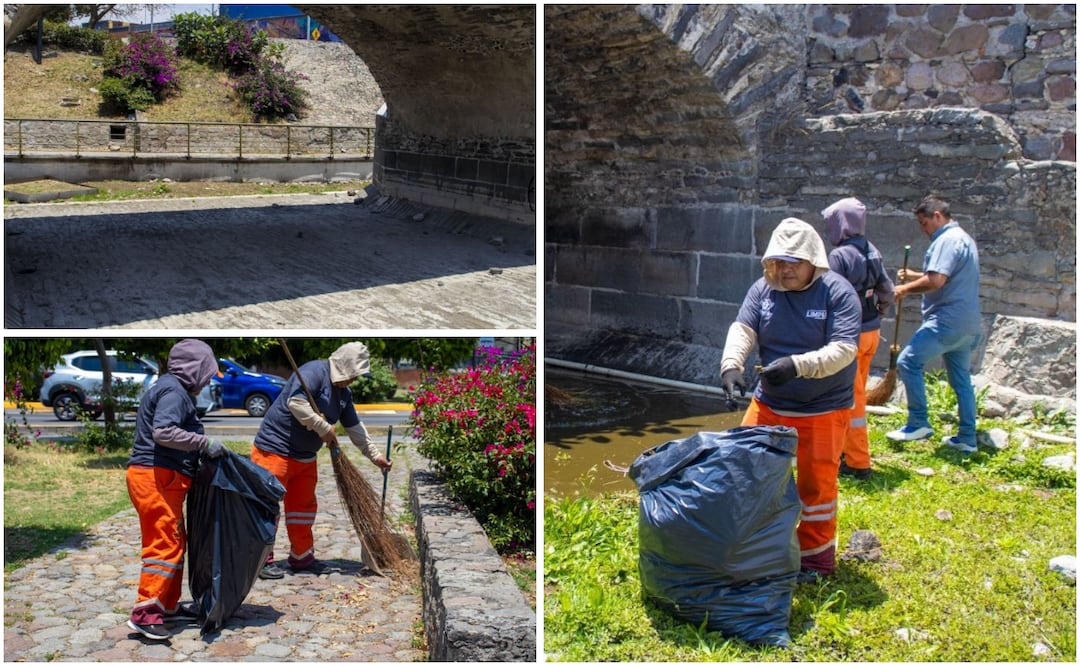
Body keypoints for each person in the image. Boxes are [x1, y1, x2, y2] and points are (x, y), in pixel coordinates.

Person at [720, 217, 862, 582]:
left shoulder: (838, 292)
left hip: (823, 407)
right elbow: (743, 328)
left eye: (794, 262)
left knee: (816, 489)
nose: (785, 270)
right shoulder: (763, 290)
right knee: (744, 470)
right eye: (778, 262)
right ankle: (757, 547)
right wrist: (731, 366)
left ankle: (815, 561)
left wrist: (797, 366)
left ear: (813, 259)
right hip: (770, 403)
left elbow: (844, 350)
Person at [251, 342, 392, 579]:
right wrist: (323, 427)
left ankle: (302, 557)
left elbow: (355, 428)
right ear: (345, 367)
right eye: (354, 374)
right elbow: (296, 403)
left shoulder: (344, 394)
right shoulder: (313, 373)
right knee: (267, 506)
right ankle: (261, 560)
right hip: (274, 451)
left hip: (305, 457)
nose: (354, 380)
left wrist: (375, 456)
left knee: (302, 509)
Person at [126, 339, 225, 640]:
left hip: (160, 477)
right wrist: (203, 443)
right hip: (155, 477)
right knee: (165, 544)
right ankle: (145, 613)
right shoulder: (173, 392)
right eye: (206, 373)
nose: (207, 381)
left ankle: (166, 606)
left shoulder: (171, 387)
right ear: (193, 369)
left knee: (174, 541)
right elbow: (163, 432)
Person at [886, 195, 982, 454]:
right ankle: (967, 438)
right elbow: (947, 276)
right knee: (961, 381)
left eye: (924, 222)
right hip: (968, 324)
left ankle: (918, 422)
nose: (923, 229)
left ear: (937, 216)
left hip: (946, 321)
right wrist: (916, 276)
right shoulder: (964, 238)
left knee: (908, 362)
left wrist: (904, 289)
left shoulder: (946, 240)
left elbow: (936, 281)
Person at [821, 197, 895, 480]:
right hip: (871, 333)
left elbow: (828, 296)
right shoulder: (872, 250)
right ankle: (843, 450)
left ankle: (857, 462)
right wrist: (879, 311)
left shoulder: (839, 256)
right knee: (856, 393)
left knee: (851, 401)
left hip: (849, 337)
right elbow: (887, 291)